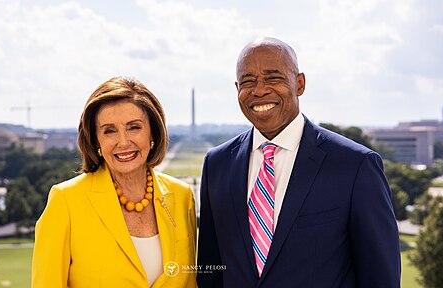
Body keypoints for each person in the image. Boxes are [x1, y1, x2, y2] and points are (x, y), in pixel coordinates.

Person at [197, 37, 401, 287]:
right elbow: (210, 270)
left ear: (299, 84)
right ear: (237, 88)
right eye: (248, 81)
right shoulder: (217, 165)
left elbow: (381, 278)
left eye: (273, 77)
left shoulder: (355, 166)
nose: (259, 90)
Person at [32, 76, 197, 287]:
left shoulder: (182, 197)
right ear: (96, 140)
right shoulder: (66, 201)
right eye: (109, 130)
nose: (123, 142)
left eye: (134, 127)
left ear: (153, 133)